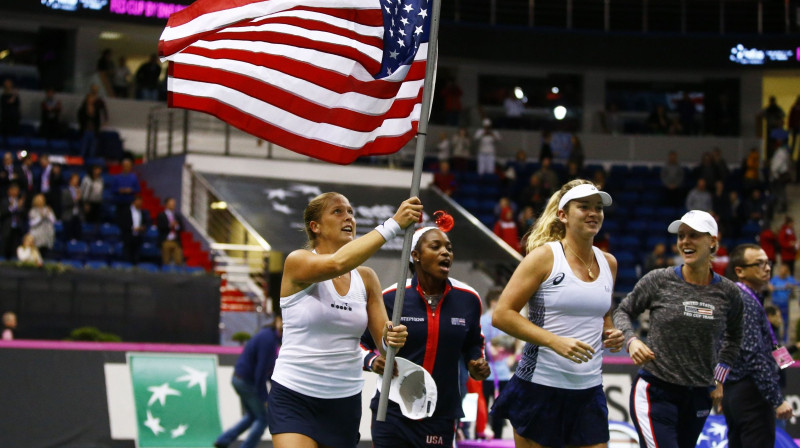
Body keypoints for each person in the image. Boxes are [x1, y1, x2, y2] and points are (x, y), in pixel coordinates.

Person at [268, 193, 420, 448]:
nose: (348, 216)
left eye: (350, 211)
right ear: (315, 227)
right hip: (295, 397)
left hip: (344, 403)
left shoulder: (367, 278)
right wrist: (393, 225)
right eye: (337, 211)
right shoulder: (298, 262)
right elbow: (337, 263)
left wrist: (392, 338)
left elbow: (385, 345)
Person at [491, 180, 624, 448]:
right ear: (563, 215)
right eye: (584, 207)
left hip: (589, 391)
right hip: (540, 387)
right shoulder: (544, 258)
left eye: (598, 208)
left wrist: (611, 331)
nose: (593, 213)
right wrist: (554, 340)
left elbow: (604, 314)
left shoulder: (609, 263)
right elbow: (502, 315)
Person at [613, 210, 744, 448]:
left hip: (699, 395)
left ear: (713, 241)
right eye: (681, 236)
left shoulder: (729, 292)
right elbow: (622, 311)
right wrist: (632, 340)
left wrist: (719, 377)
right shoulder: (658, 280)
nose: (685, 242)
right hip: (656, 392)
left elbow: (735, 337)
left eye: (693, 235)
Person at [361, 211, 490, 448]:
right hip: (392, 411)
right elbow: (360, 342)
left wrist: (476, 362)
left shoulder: (468, 299)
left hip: (440, 413)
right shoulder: (391, 298)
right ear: (415, 255)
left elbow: (473, 342)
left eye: (449, 248)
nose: (445, 252)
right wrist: (372, 361)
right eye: (436, 246)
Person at [723, 244, 793, 448]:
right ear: (740, 271)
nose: (767, 267)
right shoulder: (744, 301)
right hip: (751, 393)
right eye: (759, 263)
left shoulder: (745, 299)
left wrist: (787, 361)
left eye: (768, 262)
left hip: (737, 392)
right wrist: (776, 399)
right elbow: (754, 356)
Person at [214, 315, 283, 448]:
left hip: (239, 378)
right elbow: (261, 371)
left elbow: (266, 370)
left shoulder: (270, 337)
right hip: (246, 381)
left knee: (252, 415)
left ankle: (223, 440)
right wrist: (265, 398)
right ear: (278, 321)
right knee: (263, 418)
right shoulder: (268, 339)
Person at [480, 287, 516, 440]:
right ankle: (480, 436)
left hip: (502, 374)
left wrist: (511, 356)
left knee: (500, 409)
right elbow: (479, 343)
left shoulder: (506, 320)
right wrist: (489, 349)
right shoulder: (483, 320)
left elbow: (513, 342)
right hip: (485, 374)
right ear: (493, 302)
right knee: (482, 408)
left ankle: (499, 440)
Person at [77, 84, 108, 159]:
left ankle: (91, 164)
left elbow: (104, 112)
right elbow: (80, 116)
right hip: (85, 130)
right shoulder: (83, 107)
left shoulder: (98, 105)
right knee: (83, 149)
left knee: (92, 150)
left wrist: (104, 121)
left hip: (94, 131)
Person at [770, 263, 799, 342]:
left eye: (784, 272)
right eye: (781, 271)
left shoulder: (789, 279)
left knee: (786, 322)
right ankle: (776, 338)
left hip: (785, 304)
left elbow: (797, 285)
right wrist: (771, 287)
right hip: (776, 304)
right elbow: (769, 286)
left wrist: (791, 286)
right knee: (775, 322)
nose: (782, 273)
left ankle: (785, 338)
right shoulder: (775, 279)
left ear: (787, 272)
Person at [118, 195, 151, 264]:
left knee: (136, 255)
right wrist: (132, 228)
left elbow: (146, 222)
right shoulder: (126, 211)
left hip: (138, 237)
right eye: (138, 201)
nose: (140, 203)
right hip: (128, 236)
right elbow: (122, 223)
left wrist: (143, 227)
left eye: (141, 201)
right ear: (134, 202)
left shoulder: (142, 212)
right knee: (127, 255)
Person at [1, 183, 26, 260]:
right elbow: (2, 214)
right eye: (14, 190)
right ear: (9, 191)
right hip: (6, 229)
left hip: (17, 229)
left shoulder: (19, 202)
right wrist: (11, 208)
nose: (16, 192)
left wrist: (20, 208)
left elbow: (24, 215)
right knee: (5, 249)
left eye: (17, 190)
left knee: (15, 249)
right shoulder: (4, 201)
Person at [157, 197, 184, 266]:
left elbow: (182, 228)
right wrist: (170, 225)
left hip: (175, 241)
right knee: (166, 259)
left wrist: (176, 225)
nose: (173, 205)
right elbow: (160, 227)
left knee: (178, 259)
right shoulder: (161, 215)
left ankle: (178, 270)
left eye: (174, 204)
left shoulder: (177, 216)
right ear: (166, 205)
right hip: (165, 240)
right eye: (171, 204)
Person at [27, 193, 55, 258]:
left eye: (42, 200)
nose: (41, 202)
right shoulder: (33, 211)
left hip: (47, 236)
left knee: (46, 254)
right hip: (36, 236)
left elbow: (53, 220)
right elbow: (32, 223)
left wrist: (48, 214)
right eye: (39, 200)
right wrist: (41, 217)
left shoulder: (48, 209)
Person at [61, 173, 83, 242]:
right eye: (75, 179)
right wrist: (75, 199)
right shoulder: (65, 191)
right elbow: (64, 203)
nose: (76, 181)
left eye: (77, 179)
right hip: (68, 217)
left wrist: (81, 198)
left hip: (77, 217)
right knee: (67, 237)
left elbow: (82, 205)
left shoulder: (79, 190)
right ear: (70, 180)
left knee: (78, 237)